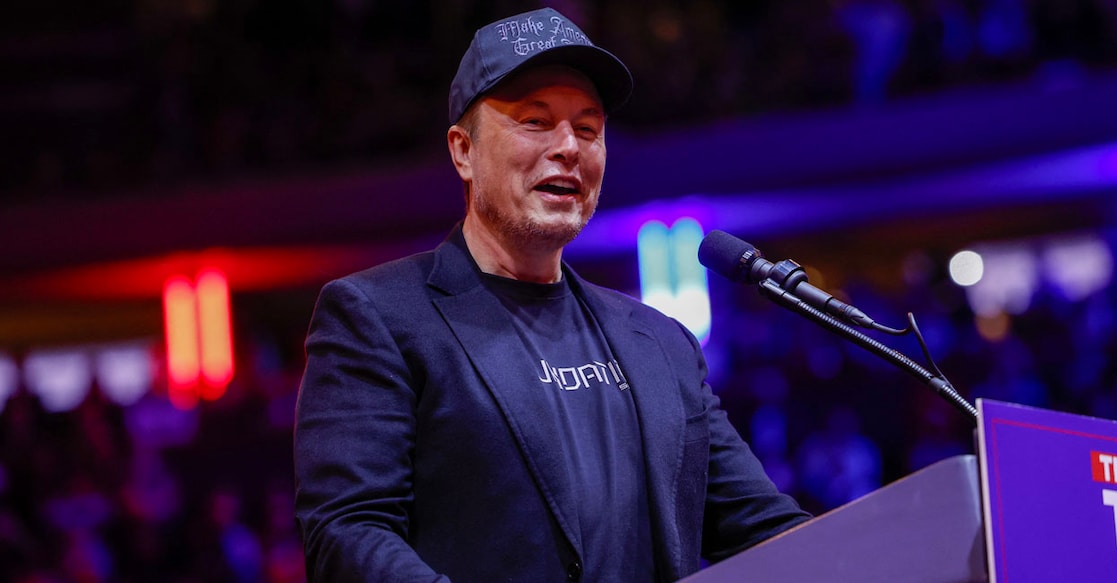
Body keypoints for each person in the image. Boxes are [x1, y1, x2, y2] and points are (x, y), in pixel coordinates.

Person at [293, 7, 810, 582]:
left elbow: (765, 529)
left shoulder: (660, 342)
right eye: (535, 122)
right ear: (463, 151)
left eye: (588, 128)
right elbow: (349, 534)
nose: (569, 146)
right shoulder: (379, 316)